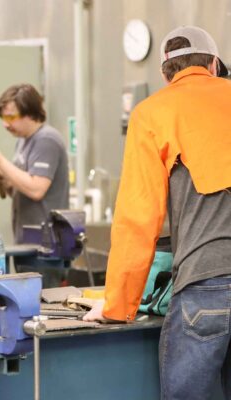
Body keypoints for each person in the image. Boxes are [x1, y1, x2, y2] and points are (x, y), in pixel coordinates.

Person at [84, 26, 231, 399]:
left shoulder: (154, 113)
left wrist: (118, 304)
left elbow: (139, 216)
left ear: (166, 75)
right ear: (214, 65)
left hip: (208, 282)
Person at [0, 83, 69, 244]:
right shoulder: (22, 141)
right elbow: (23, 188)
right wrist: (4, 182)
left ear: (30, 114)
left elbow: (36, 190)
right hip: (27, 240)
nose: (5, 124)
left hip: (47, 245)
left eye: (11, 117)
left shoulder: (46, 140)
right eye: (3, 118)